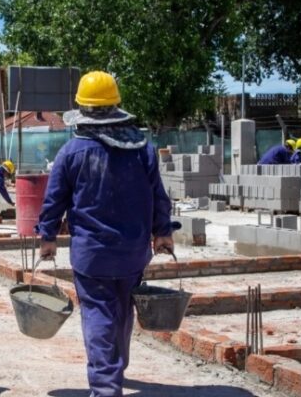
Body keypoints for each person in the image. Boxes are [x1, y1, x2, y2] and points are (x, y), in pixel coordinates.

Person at [35, 71, 175, 397]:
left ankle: (105, 386)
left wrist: (47, 238)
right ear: (116, 106)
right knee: (123, 310)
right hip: (133, 252)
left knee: (99, 314)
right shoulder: (143, 150)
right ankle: (117, 367)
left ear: (83, 109)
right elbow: (158, 195)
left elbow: (54, 200)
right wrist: (163, 232)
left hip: (92, 255)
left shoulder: (72, 152)